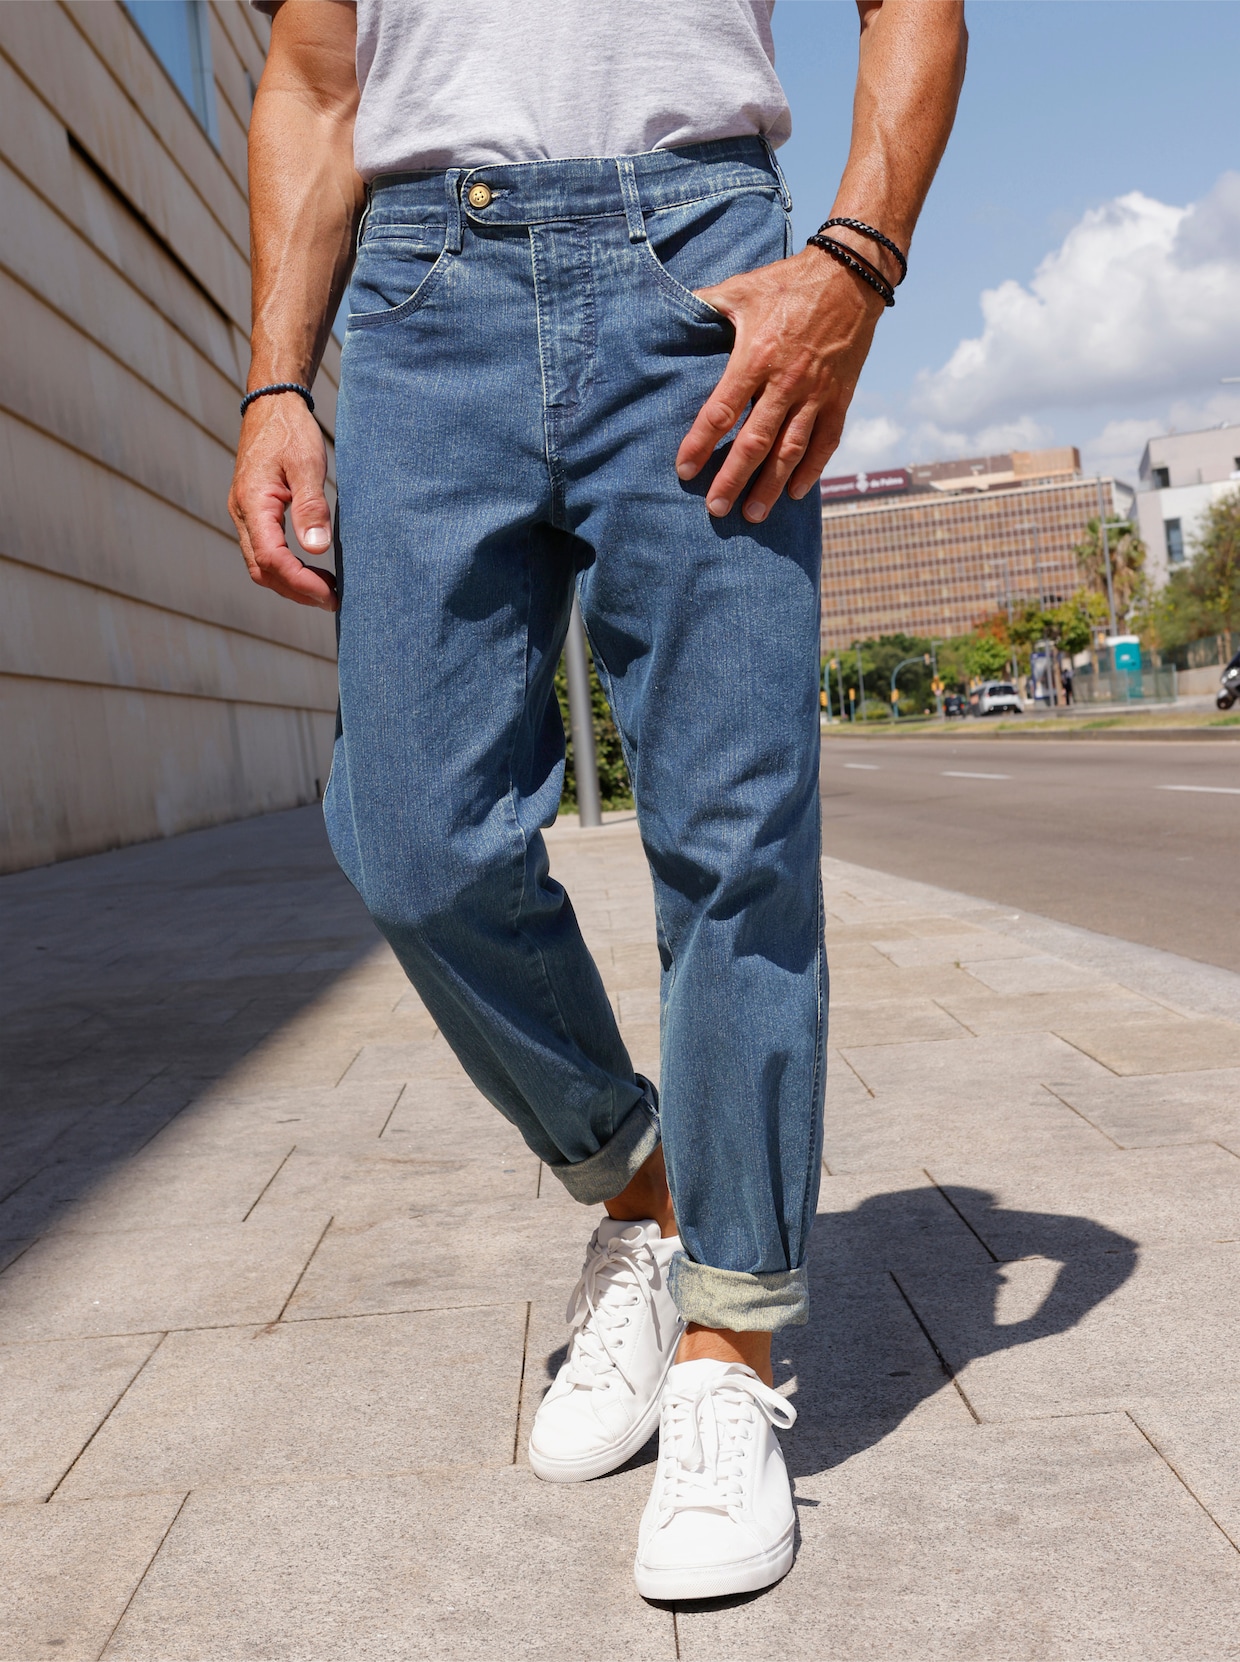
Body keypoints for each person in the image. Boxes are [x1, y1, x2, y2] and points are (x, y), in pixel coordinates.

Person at [229, 0, 965, 1600]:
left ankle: (730, 1343)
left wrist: (858, 259)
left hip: (699, 257)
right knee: (407, 835)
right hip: (423, 295)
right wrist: (278, 382)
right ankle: (644, 1187)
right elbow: (309, 76)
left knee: (735, 832)